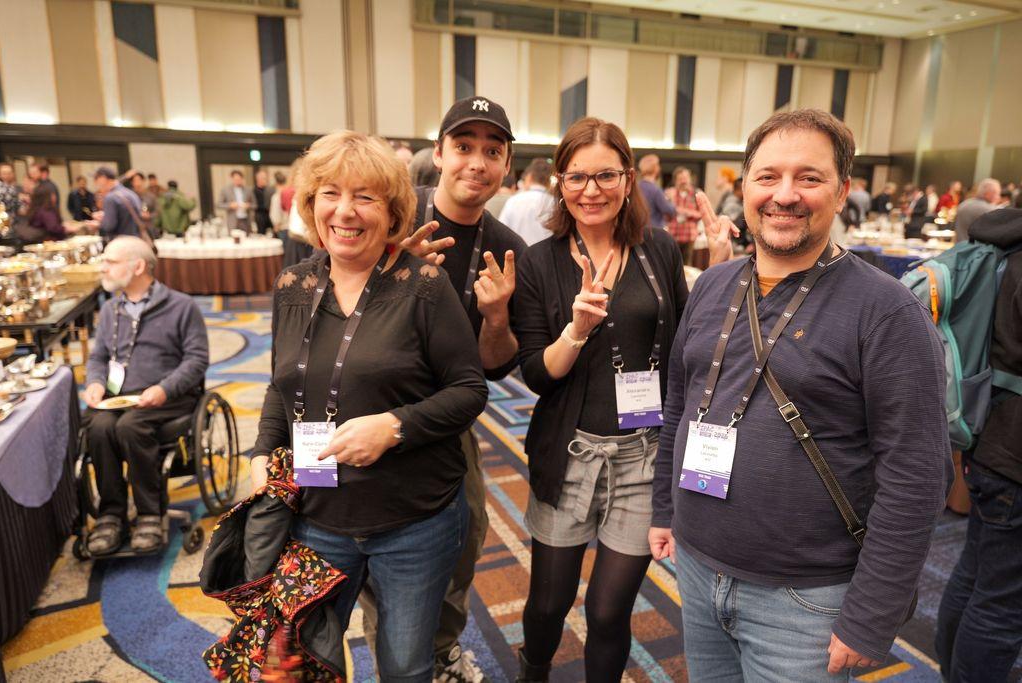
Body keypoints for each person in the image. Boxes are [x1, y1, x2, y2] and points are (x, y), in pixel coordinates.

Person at [649, 109, 952, 682]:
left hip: (806, 600)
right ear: (744, 187)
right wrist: (665, 509)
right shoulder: (713, 284)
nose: (784, 194)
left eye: (808, 178)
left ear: (841, 192)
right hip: (695, 564)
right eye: (767, 177)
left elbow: (915, 475)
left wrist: (872, 613)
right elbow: (680, 407)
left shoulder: (886, 312)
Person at [248, 130, 488, 682]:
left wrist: (394, 426)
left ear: (392, 210)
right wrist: (264, 451)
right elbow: (280, 384)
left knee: (404, 665)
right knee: (307, 661)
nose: (346, 211)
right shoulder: (293, 285)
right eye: (330, 193)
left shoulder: (424, 286)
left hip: (414, 521)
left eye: (366, 197)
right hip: (316, 516)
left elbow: (469, 390)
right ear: (311, 204)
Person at [513, 117, 735, 682]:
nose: (592, 190)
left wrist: (720, 267)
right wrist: (577, 330)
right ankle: (532, 671)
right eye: (577, 177)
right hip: (570, 453)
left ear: (629, 178)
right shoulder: (540, 263)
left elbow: (694, 339)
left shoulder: (654, 248)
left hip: (644, 453)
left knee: (609, 611)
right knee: (547, 604)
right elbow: (536, 374)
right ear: (560, 183)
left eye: (605, 175)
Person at [360, 95, 528, 683]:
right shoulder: (388, 222)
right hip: (365, 421)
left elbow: (496, 368)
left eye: (492, 151)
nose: (476, 163)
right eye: (463, 147)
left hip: (447, 426)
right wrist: (387, 276)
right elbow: (325, 321)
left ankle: (442, 649)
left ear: (506, 165)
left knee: (463, 542)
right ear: (438, 154)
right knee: (376, 559)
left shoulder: (508, 248)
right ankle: (397, 658)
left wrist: (499, 317)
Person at [935, 208, 1022, 682]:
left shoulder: (1002, 247)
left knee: (976, 576)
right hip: (1013, 455)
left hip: (987, 436)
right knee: (1002, 604)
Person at [82, 236, 209, 555]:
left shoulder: (181, 306)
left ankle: (150, 513)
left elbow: (197, 359)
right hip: (120, 396)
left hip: (169, 395)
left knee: (130, 426)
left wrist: (164, 389)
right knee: (97, 426)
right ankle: (111, 514)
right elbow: (98, 357)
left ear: (137, 266)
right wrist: (95, 382)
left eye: (110, 261)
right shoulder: (111, 309)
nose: (103, 268)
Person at [498, 157, 555, 245]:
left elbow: (501, 232)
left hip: (517, 255)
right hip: (547, 256)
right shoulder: (554, 203)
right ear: (548, 181)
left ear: (529, 177)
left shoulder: (514, 201)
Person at [88, 167, 142, 241]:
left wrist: (99, 223)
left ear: (102, 179)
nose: (96, 184)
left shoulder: (111, 197)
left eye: (96, 179)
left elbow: (109, 226)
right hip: (137, 241)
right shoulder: (131, 194)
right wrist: (106, 215)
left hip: (120, 245)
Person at [664, 166, 701, 265]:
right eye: (680, 179)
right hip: (673, 236)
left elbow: (701, 214)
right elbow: (664, 215)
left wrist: (687, 213)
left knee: (686, 266)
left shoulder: (696, 194)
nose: (683, 181)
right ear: (675, 180)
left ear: (690, 179)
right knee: (671, 265)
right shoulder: (669, 193)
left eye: (685, 178)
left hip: (689, 236)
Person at [954, 178, 1002, 242]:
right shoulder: (989, 209)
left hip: (958, 246)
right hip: (973, 249)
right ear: (988, 194)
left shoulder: (965, 203)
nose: (998, 197)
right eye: (997, 194)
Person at [637, 154, 676, 229]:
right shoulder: (656, 190)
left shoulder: (635, 188)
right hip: (654, 231)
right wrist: (671, 198)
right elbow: (669, 211)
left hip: (638, 231)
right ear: (656, 168)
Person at [253, 169, 273, 235]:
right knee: (261, 233)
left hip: (269, 214)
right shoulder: (253, 190)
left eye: (265, 178)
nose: (265, 180)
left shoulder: (270, 190)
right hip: (259, 215)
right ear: (258, 179)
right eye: (263, 178)